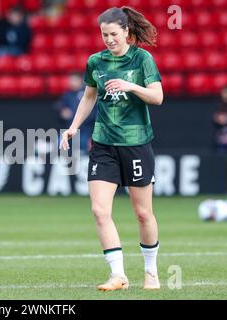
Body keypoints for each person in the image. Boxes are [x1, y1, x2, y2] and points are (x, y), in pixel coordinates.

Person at [60, 7, 164, 291]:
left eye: (113, 34)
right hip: (103, 143)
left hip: (136, 144)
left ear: (127, 32)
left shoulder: (142, 59)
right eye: (104, 34)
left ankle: (151, 271)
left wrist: (131, 86)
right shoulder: (96, 61)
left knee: (143, 213)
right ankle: (118, 275)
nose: (108, 39)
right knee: (99, 210)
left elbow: (157, 97)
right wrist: (74, 126)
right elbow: (89, 96)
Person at [56, 73, 96, 153]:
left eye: (74, 80)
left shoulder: (87, 94)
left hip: (85, 130)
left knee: (83, 148)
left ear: (80, 80)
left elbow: (93, 113)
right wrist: (63, 113)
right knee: (58, 143)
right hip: (68, 129)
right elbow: (61, 109)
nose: (71, 82)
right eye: (70, 80)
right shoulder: (66, 95)